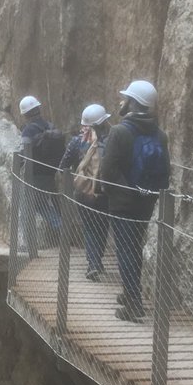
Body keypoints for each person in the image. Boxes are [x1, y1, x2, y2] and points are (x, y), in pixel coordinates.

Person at [100, 80, 170, 322]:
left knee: (125, 251)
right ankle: (131, 293)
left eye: (126, 98)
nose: (122, 101)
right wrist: (145, 194)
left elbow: (107, 171)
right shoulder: (160, 135)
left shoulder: (119, 132)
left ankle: (134, 304)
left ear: (133, 102)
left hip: (122, 203)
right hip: (145, 202)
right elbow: (165, 174)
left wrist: (116, 193)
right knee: (134, 248)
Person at [60, 103, 111, 280]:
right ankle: (97, 261)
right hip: (105, 192)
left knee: (90, 228)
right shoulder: (111, 141)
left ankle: (93, 264)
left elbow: (63, 166)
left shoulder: (77, 142)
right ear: (103, 122)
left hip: (83, 194)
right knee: (103, 227)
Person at [18, 95, 64, 235]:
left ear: (25, 114)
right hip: (51, 172)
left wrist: (19, 163)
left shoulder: (28, 130)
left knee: (32, 206)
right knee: (52, 202)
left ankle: (59, 227)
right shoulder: (50, 126)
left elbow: (24, 152)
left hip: (35, 174)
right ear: (38, 108)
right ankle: (63, 226)